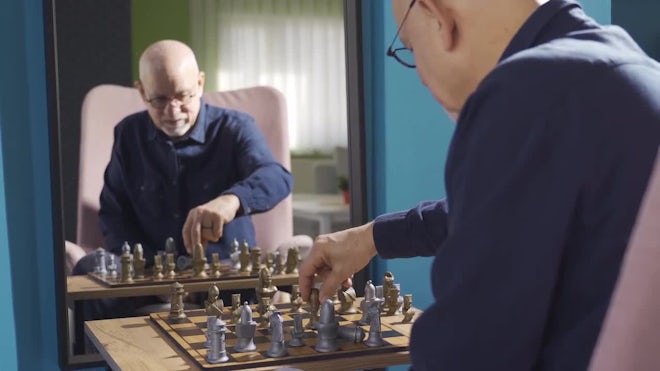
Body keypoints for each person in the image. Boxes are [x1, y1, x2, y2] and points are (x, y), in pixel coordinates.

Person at [299, 0, 660, 370]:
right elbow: (523, 211)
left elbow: (467, 352)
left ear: (438, 16)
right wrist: (372, 237)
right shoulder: (628, 69)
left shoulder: (529, 88)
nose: (420, 73)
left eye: (409, 48)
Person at [72, 39, 292, 275]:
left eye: (183, 96)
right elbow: (113, 213)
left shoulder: (236, 127)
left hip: (224, 271)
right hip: (147, 272)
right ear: (142, 91)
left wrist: (232, 200)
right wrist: (147, 269)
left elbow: (277, 177)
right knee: (88, 271)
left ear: (199, 84)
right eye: (160, 99)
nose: (173, 111)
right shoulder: (128, 134)